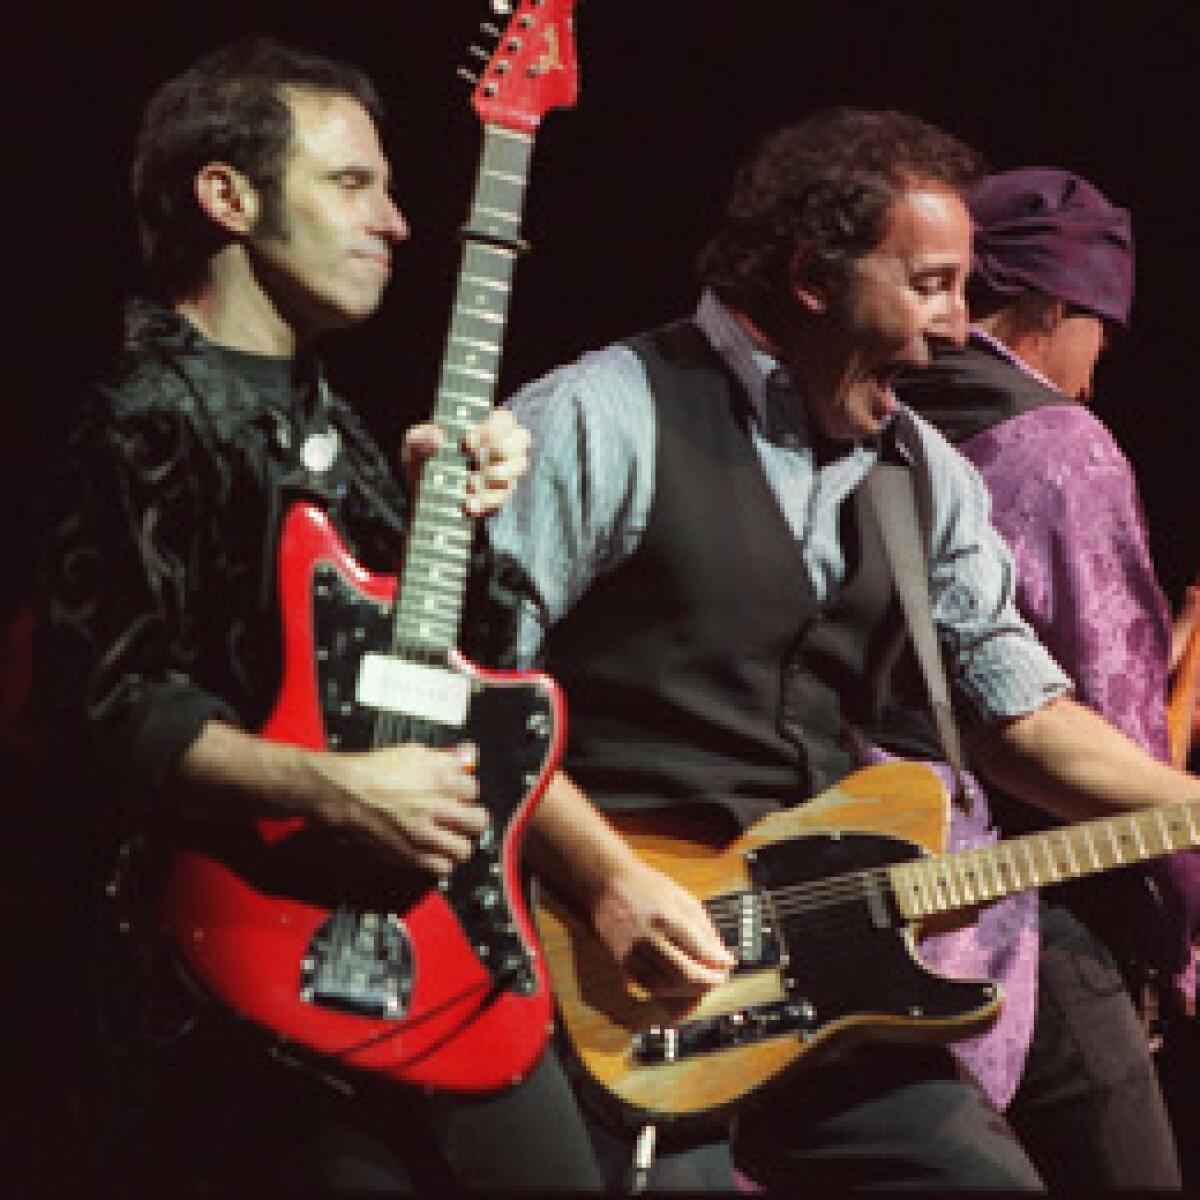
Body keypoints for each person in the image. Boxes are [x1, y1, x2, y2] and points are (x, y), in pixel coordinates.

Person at [490, 108, 1195, 1188]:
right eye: (932, 284)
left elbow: (1021, 719)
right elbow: (466, 684)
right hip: (608, 967)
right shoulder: (605, 415)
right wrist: (608, 879)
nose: (964, 325)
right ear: (813, 276)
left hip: (822, 975)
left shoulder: (927, 475)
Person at [31, 36, 602, 1193]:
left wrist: (461, 520)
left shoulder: (339, 428)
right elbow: (101, 706)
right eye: (352, 184)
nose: (395, 220)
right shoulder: (141, 418)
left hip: (437, 950)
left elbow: (464, 685)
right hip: (231, 984)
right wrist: (336, 789)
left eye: (390, 189)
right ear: (227, 196)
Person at [894, 166, 1200, 1187]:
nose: (1092, 377)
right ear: (1053, 305)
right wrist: (1183, 924)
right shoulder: (1061, 447)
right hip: (1019, 889)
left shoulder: (870, 405)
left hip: (839, 867)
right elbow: (1102, 727)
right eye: (1097, 340)